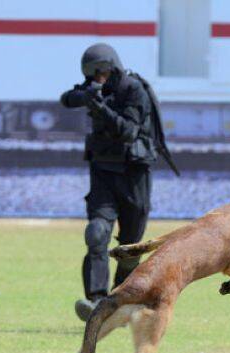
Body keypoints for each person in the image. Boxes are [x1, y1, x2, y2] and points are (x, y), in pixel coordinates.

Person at [61, 43, 158, 321]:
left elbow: (128, 131)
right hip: (103, 170)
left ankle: (120, 301)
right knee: (96, 233)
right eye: (93, 75)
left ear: (112, 69)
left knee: (130, 247)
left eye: (101, 73)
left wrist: (100, 108)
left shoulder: (133, 90)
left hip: (133, 175)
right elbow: (66, 99)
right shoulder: (94, 88)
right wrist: (84, 96)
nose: (98, 79)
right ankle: (96, 300)